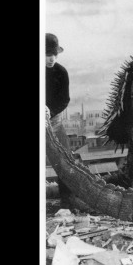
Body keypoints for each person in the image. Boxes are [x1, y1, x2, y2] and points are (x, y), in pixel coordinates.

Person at [46, 33, 72, 206]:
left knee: (65, 161)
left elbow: (65, 99)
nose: (51, 58)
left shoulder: (61, 72)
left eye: (54, 54)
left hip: (54, 122)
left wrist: (50, 111)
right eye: (47, 55)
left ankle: (67, 200)